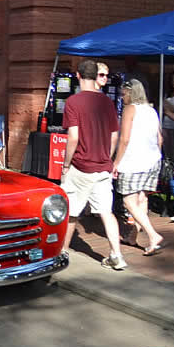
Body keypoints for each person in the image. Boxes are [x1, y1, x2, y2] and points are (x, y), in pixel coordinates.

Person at [61, 59, 128, 270]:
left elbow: (73, 137)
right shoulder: (107, 102)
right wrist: (106, 156)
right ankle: (116, 255)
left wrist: (65, 165)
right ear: (94, 76)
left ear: (78, 76)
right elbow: (114, 136)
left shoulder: (73, 102)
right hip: (102, 166)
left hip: (80, 165)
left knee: (71, 212)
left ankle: (61, 252)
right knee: (106, 212)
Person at [112, 79, 166, 256]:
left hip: (133, 162)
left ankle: (152, 235)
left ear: (130, 92)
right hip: (153, 161)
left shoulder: (130, 110)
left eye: (124, 93)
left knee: (129, 201)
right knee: (142, 199)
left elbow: (124, 139)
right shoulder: (151, 110)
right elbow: (160, 139)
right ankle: (133, 236)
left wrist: (116, 162)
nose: (122, 97)